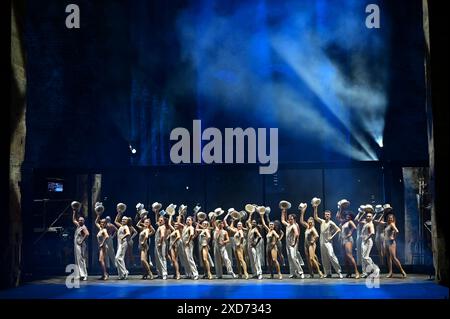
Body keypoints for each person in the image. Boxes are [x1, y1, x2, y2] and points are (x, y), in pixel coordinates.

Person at [313, 203, 343, 278]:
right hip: (322, 242)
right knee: (324, 258)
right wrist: (315, 208)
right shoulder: (322, 221)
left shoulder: (331, 222)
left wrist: (332, 236)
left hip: (328, 242)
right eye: (326, 214)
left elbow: (338, 229)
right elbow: (315, 217)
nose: (327, 216)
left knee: (331, 255)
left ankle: (339, 272)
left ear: (330, 215)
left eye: (328, 214)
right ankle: (327, 273)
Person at [378, 213, 407, 278]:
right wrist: (383, 213)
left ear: (393, 219)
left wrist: (393, 237)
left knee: (394, 258)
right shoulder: (387, 224)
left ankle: (402, 271)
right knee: (388, 258)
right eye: (389, 218)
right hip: (387, 242)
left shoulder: (392, 224)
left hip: (391, 242)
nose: (390, 219)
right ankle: (390, 272)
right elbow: (379, 222)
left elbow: (397, 231)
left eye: (391, 218)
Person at [299, 204, 324, 278]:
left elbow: (317, 236)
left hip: (311, 244)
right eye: (309, 222)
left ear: (312, 222)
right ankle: (311, 273)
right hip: (306, 244)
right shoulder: (307, 227)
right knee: (308, 260)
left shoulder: (313, 228)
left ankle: (320, 272)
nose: (309, 223)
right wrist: (302, 212)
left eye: (311, 222)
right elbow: (301, 221)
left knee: (311, 258)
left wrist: (313, 241)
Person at [355, 207, 380, 278]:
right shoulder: (366, 222)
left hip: (368, 242)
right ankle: (364, 272)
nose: (368, 217)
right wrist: (360, 212)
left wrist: (366, 238)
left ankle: (375, 269)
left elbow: (372, 233)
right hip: (364, 241)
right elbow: (356, 220)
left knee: (365, 257)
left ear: (372, 217)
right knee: (363, 258)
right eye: (367, 216)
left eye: (370, 216)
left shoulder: (370, 224)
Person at [281, 209, 305, 279]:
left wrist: (294, 243)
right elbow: (282, 220)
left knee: (293, 257)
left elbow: (297, 234)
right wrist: (283, 211)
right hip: (288, 244)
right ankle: (293, 273)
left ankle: (300, 272)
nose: (289, 220)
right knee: (290, 258)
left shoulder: (294, 225)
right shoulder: (288, 225)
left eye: (291, 219)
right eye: (289, 219)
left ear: (294, 219)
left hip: (292, 244)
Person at [336, 211, 360, 279]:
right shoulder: (343, 222)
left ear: (351, 217)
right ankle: (349, 272)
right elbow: (337, 216)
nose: (348, 217)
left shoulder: (350, 222)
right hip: (342, 240)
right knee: (345, 257)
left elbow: (354, 227)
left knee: (349, 255)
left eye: (349, 216)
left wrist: (350, 233)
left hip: (348, 240)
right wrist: (340, 208)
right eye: (347, 215)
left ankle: (356, 272)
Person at [260, 211, 282, 279]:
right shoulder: (268, 230)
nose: (271, 226)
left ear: (274, 226)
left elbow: (278, 237)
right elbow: (263, 224)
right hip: (268, 247)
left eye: (272, 225)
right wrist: (261, 215)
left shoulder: (273, 231)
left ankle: (279, 274)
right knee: (269, 261)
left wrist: (274, 243)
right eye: (270, 224)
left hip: (273, 247)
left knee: (274, 260)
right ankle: (271, 274)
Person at [72, 208, 89, 281]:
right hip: (76, 244)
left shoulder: (83, 227)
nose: (80, 221)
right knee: (77, 259)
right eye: (79, 220)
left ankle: (84, 275)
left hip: (80, 245)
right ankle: (78, 274)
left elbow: (87, 234)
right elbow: (73, 220)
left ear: (84, 221)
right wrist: (74, 212)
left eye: (81, 220)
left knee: (81, 259)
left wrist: (81, 241)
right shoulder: (78, 225)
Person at [168, 213, 182, 280]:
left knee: (175, 260)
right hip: (171, 246)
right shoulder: (173, 230)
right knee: (173, 260)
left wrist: (173, 242)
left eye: (177, 224)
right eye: (175, 224)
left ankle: (178, 273)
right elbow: (169, 224)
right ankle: (175, 273)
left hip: (175, 246)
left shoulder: (177, 231)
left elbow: (178, 237)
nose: (176, 225)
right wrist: (170, 215)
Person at [95, 215, 109, 280]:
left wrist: (102, 243)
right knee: (102, 261)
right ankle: (104, 274)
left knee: (101, 260)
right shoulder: (101, 229)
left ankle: (105, 274)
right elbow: (96, 222)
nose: (102, 223)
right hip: (100, 247)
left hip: (103, 246)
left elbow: (106, 236)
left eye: (103, 222)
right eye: (101, 222)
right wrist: (98, 214)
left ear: (106, 223)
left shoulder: (104, 230)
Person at [154, 215, 168, 280]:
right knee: (158, 258)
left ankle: (164, 273)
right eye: (159, 220)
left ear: (164, 221)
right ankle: (160, 273)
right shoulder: (160, 226)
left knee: (162, 258)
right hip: (158, 244)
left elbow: (162, 236)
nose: (160, 221)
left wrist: (160, 243)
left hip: (161, 244)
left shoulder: (162, 227)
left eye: (161, 220)